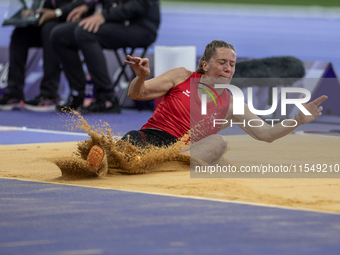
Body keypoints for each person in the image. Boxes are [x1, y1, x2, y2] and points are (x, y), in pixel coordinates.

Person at [59, 40, 327, 176]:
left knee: (218, 142)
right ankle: (103, 162)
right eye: (222, 62)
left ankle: (145, 164)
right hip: (151, 136)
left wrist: (298, 120)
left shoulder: (232, 102)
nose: (227, 69)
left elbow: (266, 135)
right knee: (121, 150)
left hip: (184, 149)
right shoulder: (181, 76)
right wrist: (141, 77)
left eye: (232, 65)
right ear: (205, 65)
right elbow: (138, 94)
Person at [51, 0, 161, 114]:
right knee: (59, 35)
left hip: (140, 27)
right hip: (116, 21)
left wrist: (104, 15)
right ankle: (80, 94)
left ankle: (107, 98)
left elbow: (138, 6)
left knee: (85, 33)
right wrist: (87, 7)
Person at [0, 0, 94, 112]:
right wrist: (31, 13)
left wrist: (57, 12)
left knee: (49, 30)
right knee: (20, 34)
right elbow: (43, 7)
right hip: (49, 22)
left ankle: (49, 94)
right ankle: (13, 93)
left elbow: (86, 3)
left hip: (71, 23)